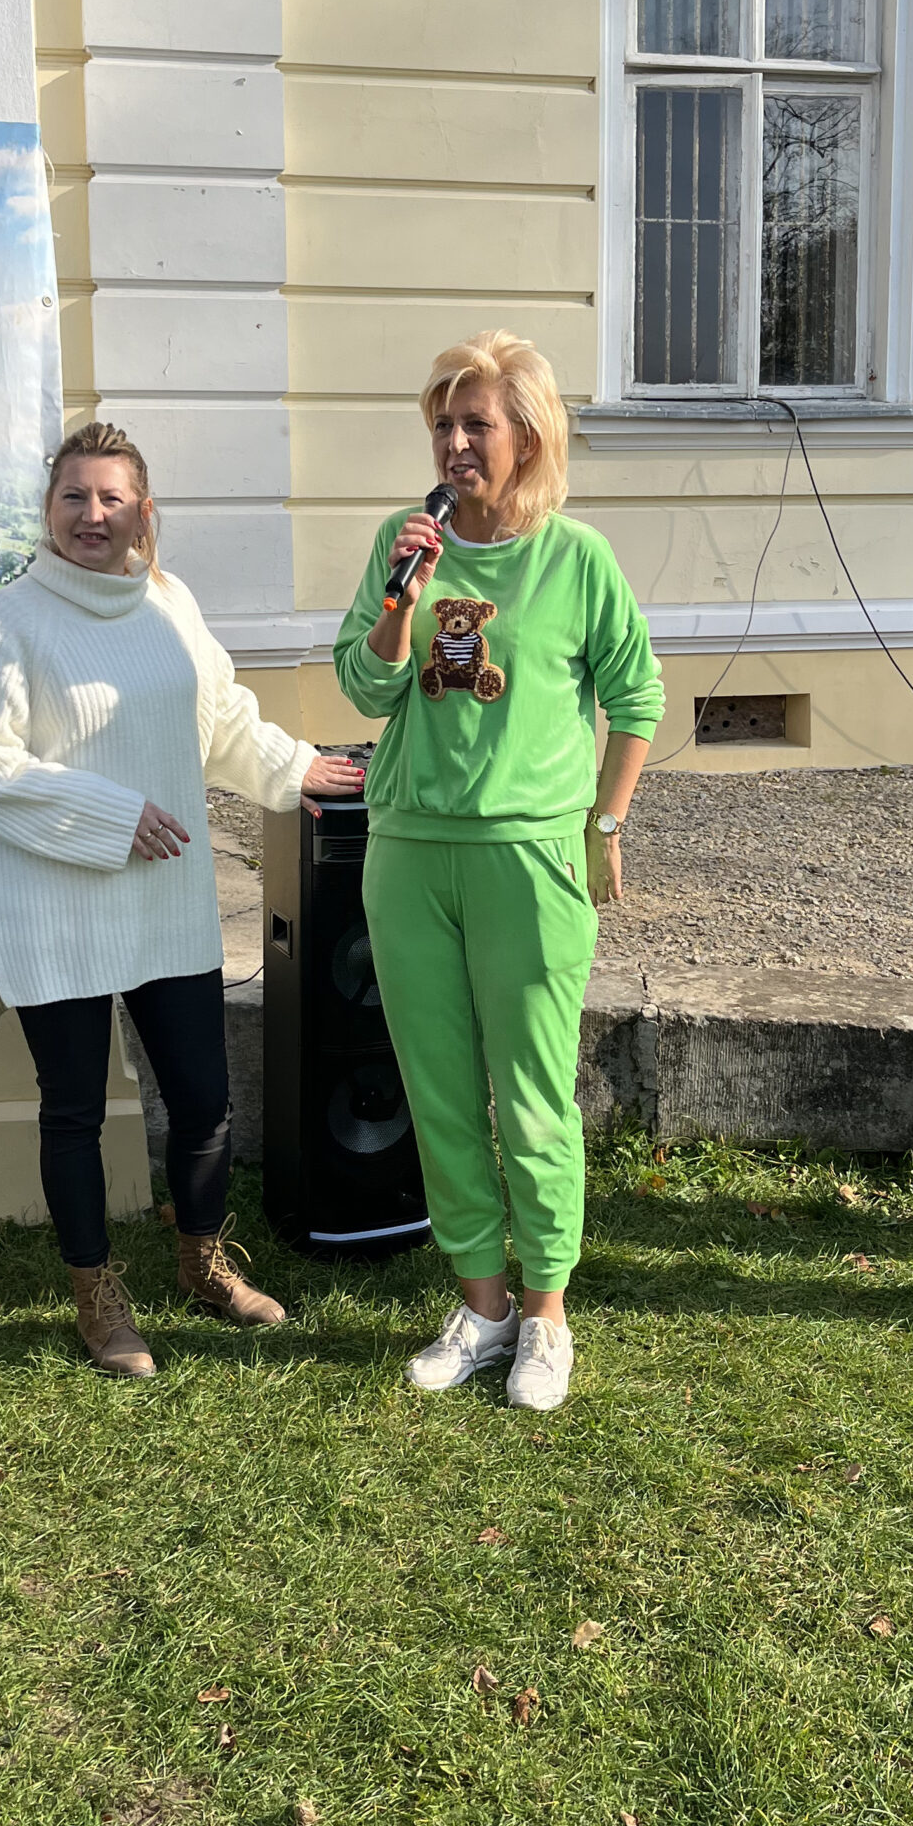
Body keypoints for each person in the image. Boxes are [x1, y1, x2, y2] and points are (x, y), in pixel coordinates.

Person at [0, 419, 362, 1377]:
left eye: (112, 498)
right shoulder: (11, 620)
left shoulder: (170, 603)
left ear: (143, 511)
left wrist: (300, 767)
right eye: (74, 497)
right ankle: (98, 1299)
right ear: (49, 508)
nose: (92, 516)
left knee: (204, 1100)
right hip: (56, 904)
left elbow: (222, 721)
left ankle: (203, 1262)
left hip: (163, 896)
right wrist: (110, 814)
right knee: (75, 1112)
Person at [333, 331, 664, 1414]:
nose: (456, 442)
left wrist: (604, 821)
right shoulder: (404, 543)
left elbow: (638, 697)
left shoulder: (576, 559)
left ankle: (546, 1313)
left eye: (477, 423)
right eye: (443, 423)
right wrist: (402, 600)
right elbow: (366, 690)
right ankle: (481, 1307)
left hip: (529, 856)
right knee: (438, 1092)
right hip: (410, 852)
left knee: (531, 1096)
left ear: (529, 436)